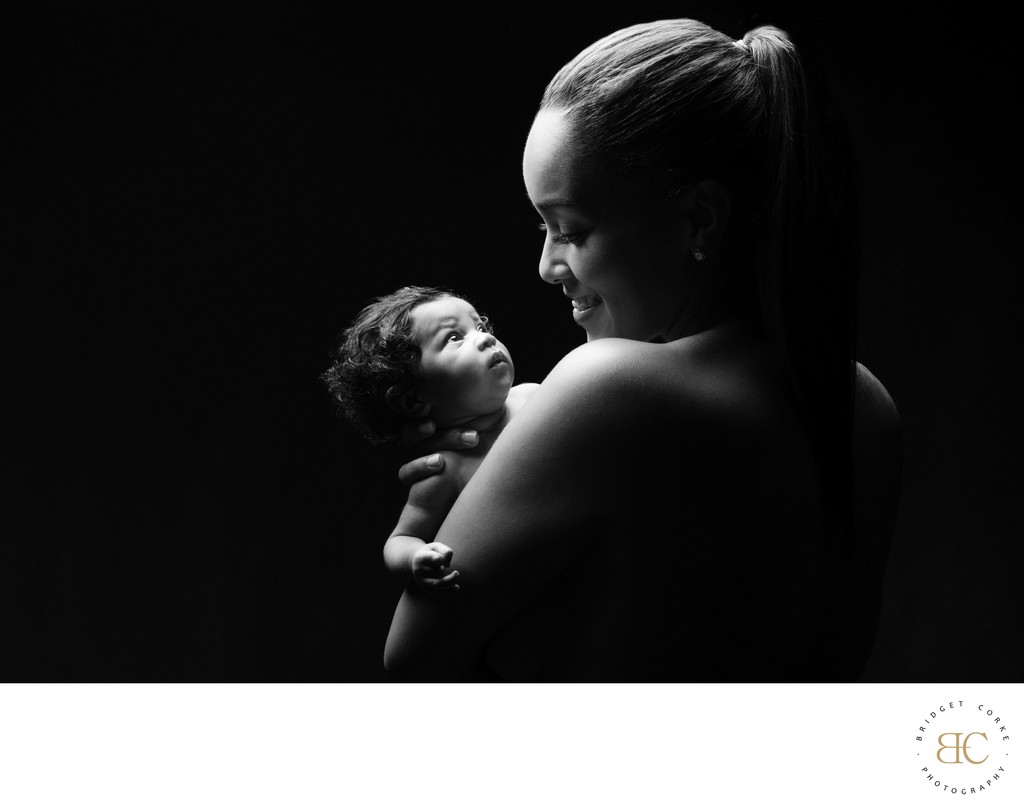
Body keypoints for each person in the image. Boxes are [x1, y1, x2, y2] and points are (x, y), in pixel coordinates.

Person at [383, 19, 902, 681]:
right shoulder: (866, 410)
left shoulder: (606, 390)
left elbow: (408, 663)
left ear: (698, 219)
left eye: (570, 229)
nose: (546, 264)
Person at [321, 285, 539, 595]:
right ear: (412, 401)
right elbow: (399, 541)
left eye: (480, 326)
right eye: (454, 337)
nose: (486, 337)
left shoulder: (535, 394)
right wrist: (416, 558)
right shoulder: (445, 469)